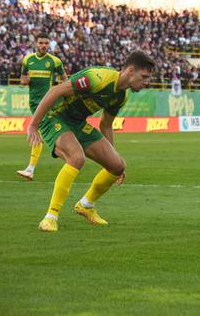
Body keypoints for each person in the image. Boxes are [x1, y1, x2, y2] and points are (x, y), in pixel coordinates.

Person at [27, 51, 155, 232]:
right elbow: (56, 90)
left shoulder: (121, 96)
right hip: (54, 117)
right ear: (131, 70)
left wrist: (113, 155)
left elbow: (106, 125)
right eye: (144, 77)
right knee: (76, 158)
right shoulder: (97, 78)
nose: (146, 82)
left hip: (77, 123)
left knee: (117, 166)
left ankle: (86, 205)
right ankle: (50, 217)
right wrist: (34, 124)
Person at [17, 33, 68, 181]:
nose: (43, 45)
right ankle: (72, 156)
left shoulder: (55, 61)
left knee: (38, 133)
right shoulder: (28, 60)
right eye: (41, 43)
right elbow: (22, 79)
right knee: (47, 134)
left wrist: (59, 94)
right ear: (36, 44)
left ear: (49, 44)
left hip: (48, 103)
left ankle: (31, 168)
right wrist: (24, 81)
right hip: (33, 103)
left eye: (46, 43)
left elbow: (66, 81)